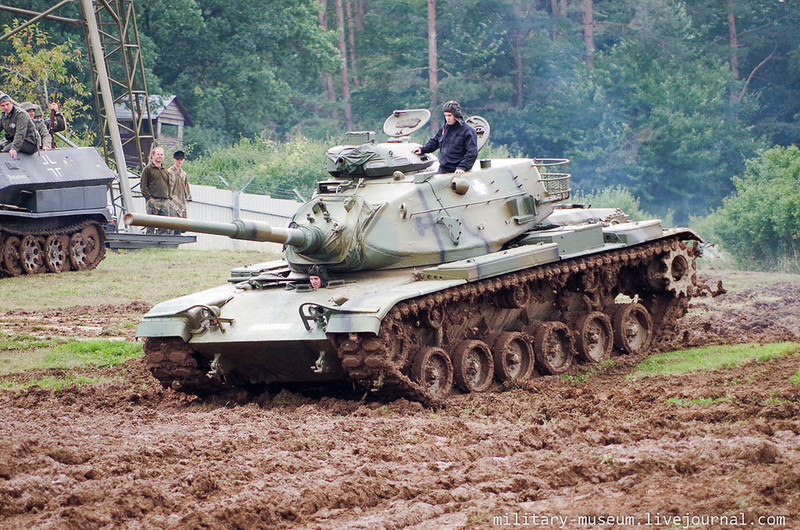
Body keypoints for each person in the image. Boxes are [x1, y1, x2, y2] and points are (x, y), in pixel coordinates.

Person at [412, 100, 478, 174]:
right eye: (445, 115)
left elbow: (472, 152)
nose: (447, 118)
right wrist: (423, 149)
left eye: (449, 115)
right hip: (443, 169)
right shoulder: (444, 128)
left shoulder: (467, 131)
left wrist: (463, 167)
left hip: (459, 170)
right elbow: (435, 141)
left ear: (456, 115)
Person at [140, 146, 170, 233]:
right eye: (158, 154)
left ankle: (162, 243)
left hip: (164, 201)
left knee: (164, 225)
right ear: (153, 155)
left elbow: (168, 185)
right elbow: (143, 185)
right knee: (151, 224)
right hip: (153, 200)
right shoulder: (148, 170)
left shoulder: (165, 171)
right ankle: (149, 242)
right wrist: (149, 198)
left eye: (161, 154)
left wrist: (169, 198)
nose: (160, 156)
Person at [0, 94, 38, 159]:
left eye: (7, 104)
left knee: (6, 151)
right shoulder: (4, 115)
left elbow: (20, 133)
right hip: (13, 141)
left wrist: (14, 148)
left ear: (11, 103)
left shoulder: (20, 114)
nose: (6, 107)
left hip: (29, 142)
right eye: (3, 106)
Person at [167, 150, 192, 219]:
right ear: (174, 160)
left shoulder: (183, 173)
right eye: (177, 159)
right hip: (172, 202)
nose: (179, 161)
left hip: (182, 202)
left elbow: (186, 187)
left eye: (181, 159)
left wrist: (188, 197)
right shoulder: (169, 172)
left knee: (182, 226)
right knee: (172, 224)